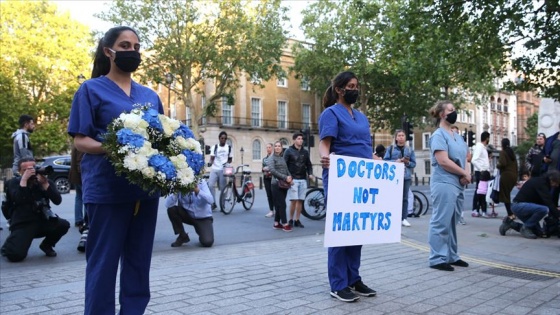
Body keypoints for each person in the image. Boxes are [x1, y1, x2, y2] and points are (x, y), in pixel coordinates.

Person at [67, 26, 163, 315]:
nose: (132, 52)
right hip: (107, 191)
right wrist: (116, 147)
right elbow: (80, 140)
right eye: (125, 46)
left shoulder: (150, 95)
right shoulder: (90, 89)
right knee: (103, 264)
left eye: (136, 46)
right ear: (109, 51)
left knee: (138, 262)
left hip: (145, 191)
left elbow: (162, 139)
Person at [319, 71, 377, 302]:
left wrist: (386, 164)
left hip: (362, 179)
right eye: (350, 86)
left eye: (357, 86)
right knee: (340, 230)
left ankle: (353, 278)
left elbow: (365, 148)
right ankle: (338, 283)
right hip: (340, 178)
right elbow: (325, 144)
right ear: (340, 90)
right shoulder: (330, 113)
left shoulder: (362, 117)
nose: (355, 89)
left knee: (357, 229)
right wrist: (326, 159)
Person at [427, 100, 471, 272]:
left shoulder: (457, 136)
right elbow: (443, 161)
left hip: (458, 184)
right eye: (451, 110)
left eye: (454, 110)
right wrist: (463, 173)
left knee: (452, 222)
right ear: (441, 114)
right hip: (444, 183)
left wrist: (466, 174)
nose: (454, 113)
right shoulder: (438, 135)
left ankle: (452, 255)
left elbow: (467, 157)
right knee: (441, 221)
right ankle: (437, 258)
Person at [1, 158, 70, 262]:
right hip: (23, 223)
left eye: (32, 168)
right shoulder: (14, 183)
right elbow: (19, 199)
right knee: (15, 256)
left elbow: (57, 200)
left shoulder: (44, 182)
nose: (30, 171)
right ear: (19, 171)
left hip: (43, 221)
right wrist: (24, 180)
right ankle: (10, 243)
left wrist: (45, 184)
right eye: (26, 170)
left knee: (63, 225)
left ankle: (46, 245)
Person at [500, 170, 560, 239]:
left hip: (522, 206)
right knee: (544, 209)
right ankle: (526, 227)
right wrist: (558, 215)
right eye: (557, 183)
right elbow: (548, 202)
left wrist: (555, 209)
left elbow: (544, 201)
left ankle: (511, 224)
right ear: (552, 180)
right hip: (519, 205)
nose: (557, 185)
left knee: (537, 232)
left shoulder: (541, 182)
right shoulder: (541, 183)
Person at [165, 179, 214, 247]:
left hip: (203, 217)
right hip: (188, 215)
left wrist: (197, 190)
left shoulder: (201, 182)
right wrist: (175, 191)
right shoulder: (178, 182)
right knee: (172, 210)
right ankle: (182, 236)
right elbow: (168, 205)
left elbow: (211, 200)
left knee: (207, 242)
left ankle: (202, 230)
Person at [384, 129, 416, 227]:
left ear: (405, 138)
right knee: (393, 197)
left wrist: (407, 162)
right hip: (393, 177)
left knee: (405, 198)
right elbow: (385, 161)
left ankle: (404, 218)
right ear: (396, 137)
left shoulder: (410, 150)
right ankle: (392, 217)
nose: (401, 137)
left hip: (406, 176)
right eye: (399, 135)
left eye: (403, 135)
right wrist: (395, 162)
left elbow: (413, 164)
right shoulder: (391, 148)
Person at [284, 132, 314, 228]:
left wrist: (310, 173)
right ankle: (290, 219)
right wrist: (288, 177)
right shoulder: (288, 151)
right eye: (298, 138)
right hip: (293, 180)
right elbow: (284, 166)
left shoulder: (305, 152)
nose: (300, 140)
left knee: (300, 200)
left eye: (301, 139)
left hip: (303, 179)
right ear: (294, 140)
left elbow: (309, 164)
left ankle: (297, 220)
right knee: (294, 200)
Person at [268, 141, 293, 232]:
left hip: (284, 184)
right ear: (274, 147)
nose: (277, 147)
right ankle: (285, 224)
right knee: (282, 204)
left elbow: (286, 169)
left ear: (282, 148)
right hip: (276, 184)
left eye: (279, 146)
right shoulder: (271, 158)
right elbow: (272, 170)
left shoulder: (282, 158)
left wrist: (290, 178)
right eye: (276, 146)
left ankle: (276, 223)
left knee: (279, 205)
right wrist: (285, 177)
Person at [207, 131, 233, 211]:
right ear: (219, 138)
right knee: (210, 185)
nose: (223, 140)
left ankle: (222, 204)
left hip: (223, 170)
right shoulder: (215, 147)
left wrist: (227, 164)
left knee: (223, 188)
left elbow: (230, 159)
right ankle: (213, 203)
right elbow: (212, 158)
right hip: (214, 169)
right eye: (222, 138)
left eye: (225, 138)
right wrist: (209, 163)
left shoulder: (229, 148)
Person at [451, 125, 469, 225]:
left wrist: (466, 173)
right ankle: (452, 218)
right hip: (451, 175)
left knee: (461, 197)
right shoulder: (446, 142)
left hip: (461, 175)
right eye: (452, 132)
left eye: (456, 132)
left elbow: (468, 158)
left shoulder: (463, 144)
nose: (454, 134)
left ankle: (460, 216)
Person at [471, 131, 491, 217]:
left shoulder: (483, 147)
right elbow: (474, 160)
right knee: (480, 191)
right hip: (481, 172)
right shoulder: (479, 147)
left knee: (481, 191)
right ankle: (476, 209)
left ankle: (481, 210)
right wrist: (482, 169)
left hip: (483, 172)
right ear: (487, 138)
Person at [497, 138, 518, 220]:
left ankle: (510, 214)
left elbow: (502, 163)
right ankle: (511, 213)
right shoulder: (512, 153)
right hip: (514, 176)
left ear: (502, 144)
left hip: (506, 176)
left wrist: (497, 165)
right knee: (507, 194)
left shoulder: (503, 152)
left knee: (505, 196)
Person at [543, 124, 560, 206]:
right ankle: (552, 214)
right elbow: (545, 153)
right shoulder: (551, 139)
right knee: (552, 194)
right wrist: (545, 159)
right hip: (552, 171)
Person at [69, 145, 85, 227]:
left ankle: (78, 219)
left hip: (75, 175)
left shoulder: (75, 146)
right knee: (86, 197)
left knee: (78, 197)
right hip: (82, 175)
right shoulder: (84, 146)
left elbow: (73, 162)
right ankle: (87, 219)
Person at [262, 143, 275, 218]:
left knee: (275, 195)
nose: (268, 149)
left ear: (272, 148)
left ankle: (276, 209)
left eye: (269, 147)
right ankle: (271, 210)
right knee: (269, 195)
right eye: (267, 147)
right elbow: (263, 168)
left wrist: (270, 171)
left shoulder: (274, 158)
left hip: (273, 178)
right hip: (266, 178)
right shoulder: (264, 159)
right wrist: (264, 169)